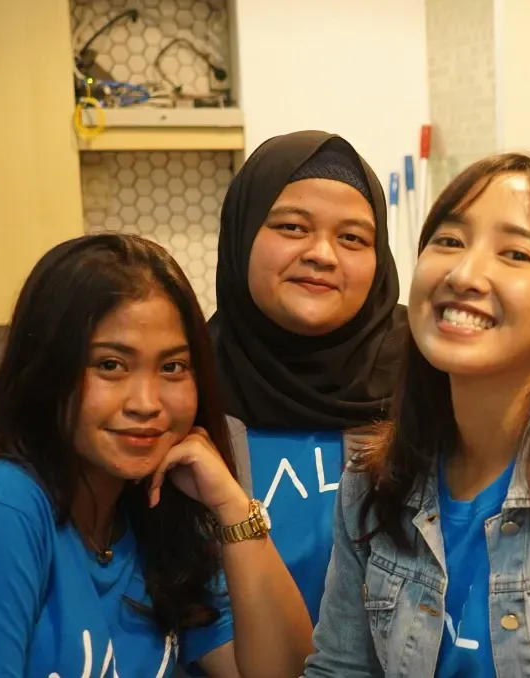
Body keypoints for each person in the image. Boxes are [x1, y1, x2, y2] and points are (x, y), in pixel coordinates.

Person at [303, 153, 530, 677]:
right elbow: (341, 669)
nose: (465, 274)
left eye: (515, 253)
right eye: (449, 241)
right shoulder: (374, 484)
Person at [0, 233, 312, 678]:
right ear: (46, 369)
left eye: (172, 367)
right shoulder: (2, 505)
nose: (146, 403)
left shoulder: (153, 513)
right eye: (110, 365)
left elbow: (284, 672)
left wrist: (232, 507)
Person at [208, 130, 407, 623]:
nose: (322, 253)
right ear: (242, 235)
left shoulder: (430, 378)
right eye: (293, 227)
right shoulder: (185, 386)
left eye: (352, 238)